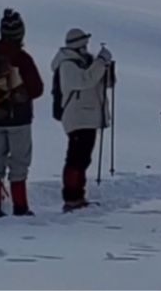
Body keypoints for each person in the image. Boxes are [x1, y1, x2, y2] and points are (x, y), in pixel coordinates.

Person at [0, 8, 43, 218]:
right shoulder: (22, 58)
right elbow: (37, 89)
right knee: (19, 164)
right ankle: (20, 207)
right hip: (19, 119)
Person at [50, 28, 113, 212]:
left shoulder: (84, 62)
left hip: (87, 116)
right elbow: (85, 81)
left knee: (82, 158)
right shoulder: (67, 64)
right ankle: (71, 197)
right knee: (76, 158)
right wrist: (101, 62)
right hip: (78, 116)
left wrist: (106, 68)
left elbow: (104, 82)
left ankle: (77, 195)